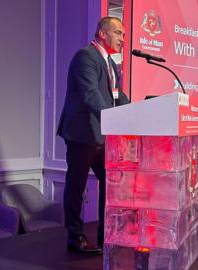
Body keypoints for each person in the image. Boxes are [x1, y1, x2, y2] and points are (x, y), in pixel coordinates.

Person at [57, 17, 130, 254]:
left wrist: (138, 112)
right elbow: (91, 96)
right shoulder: (85, 56)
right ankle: (74, 236)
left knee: (110, 185)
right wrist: (116, 120)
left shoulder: (110, 63)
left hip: (101, 135)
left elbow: (118, 96)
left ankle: (105, 234)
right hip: (81, 133)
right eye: (118, 33)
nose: (122, 38)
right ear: (102, 33)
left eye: (123, 34)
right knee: (76, 185)